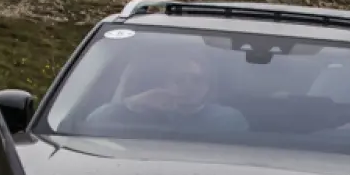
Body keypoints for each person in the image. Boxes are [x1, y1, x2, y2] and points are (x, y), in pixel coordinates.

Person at [85, 47, 247, 136]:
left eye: (197, 79)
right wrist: (132, 104)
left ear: (208, 85)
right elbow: (92, 124)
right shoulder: (137, 114)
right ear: (164, 82)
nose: (189, 86)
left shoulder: (226, 119)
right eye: (180, 79)